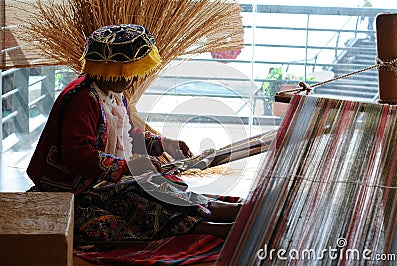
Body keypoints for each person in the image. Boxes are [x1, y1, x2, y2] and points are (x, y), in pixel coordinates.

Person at [26, 24, 240, 244]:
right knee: (140, 206)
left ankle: (235, 212)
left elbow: (127, 134)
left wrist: (163, 144)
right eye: (129, 72)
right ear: (111, 69)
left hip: (101, 182)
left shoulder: (113, 94)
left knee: (164, 188)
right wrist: (129, 167)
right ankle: (217, 229)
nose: (134, 79)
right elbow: (79, 155)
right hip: (74, 192)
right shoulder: (82, 100)